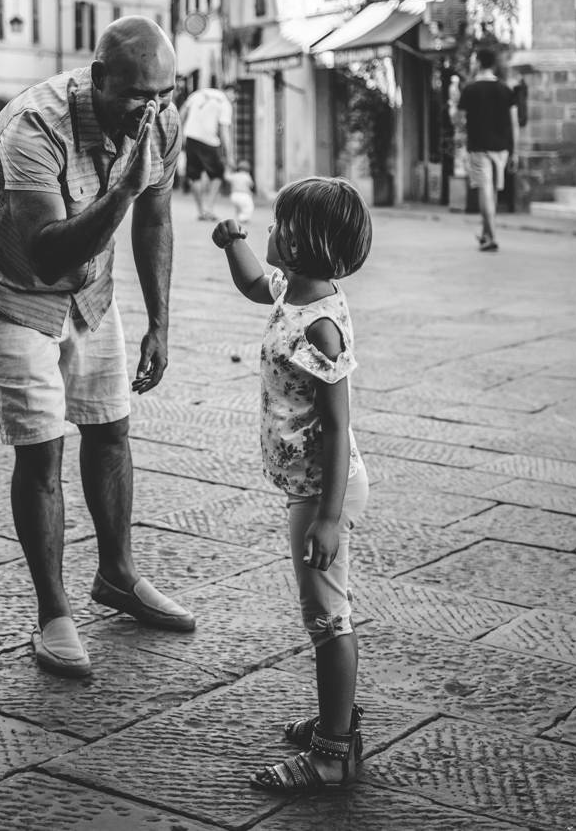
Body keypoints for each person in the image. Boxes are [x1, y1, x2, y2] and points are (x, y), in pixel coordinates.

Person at [0, 16, 195, 679]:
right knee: (42, 450)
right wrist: (123, 187)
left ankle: (116, 575)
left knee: (110, 427)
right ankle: (53, 613)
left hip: (90, 291)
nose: (153, 111)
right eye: (137, 96)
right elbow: (50, 250)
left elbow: (157, 218)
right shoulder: (35, 127)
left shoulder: (162, 122)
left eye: (165, 95)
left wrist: (161, 323)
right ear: (98, 80)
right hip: (11, 287)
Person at [210, 176, 374, 794]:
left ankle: (334, 751)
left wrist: (328, 518)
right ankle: (337, 719)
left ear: (304, 243)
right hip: (308, 485)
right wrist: (234, 244)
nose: (270, 233)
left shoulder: (320, 327)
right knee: (322, 612)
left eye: (279, 226)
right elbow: (257, 284)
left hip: (323, 488)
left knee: (328, 617)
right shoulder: (294, 293)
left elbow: (337, 426)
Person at [456, 47, 518, 252]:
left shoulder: (470, 89)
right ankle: (485, 233)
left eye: (474, 60)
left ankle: (491, 236)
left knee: (485, 191)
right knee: (492, 192)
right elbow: (514, 123)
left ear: (479, 63)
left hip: (479, 147)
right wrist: (514, 150)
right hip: (501, 149)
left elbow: (459, 120)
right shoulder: (505, 89)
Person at [180, 84, 233, 221]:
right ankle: (209, 209)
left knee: (194, 175)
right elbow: (224, 131)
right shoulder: (224, 102)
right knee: (218, 174)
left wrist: (180, 133)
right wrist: (229, 154)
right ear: (231, 92)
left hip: (190, 136)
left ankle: (201, 210)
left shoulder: (198, 93)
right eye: (235, 97)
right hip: (209, 140)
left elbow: (183, 111)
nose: (234, 100)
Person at [225, 159, 255, 225]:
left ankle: (238, 217)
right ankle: (242, 218)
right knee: (249, 207)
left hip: (234, 195)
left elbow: (226, 177)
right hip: (244, 195)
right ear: (248, 169)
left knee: (238, 208)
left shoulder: (235, 175)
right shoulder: (247, 176)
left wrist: (228, 170)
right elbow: (251, 185)